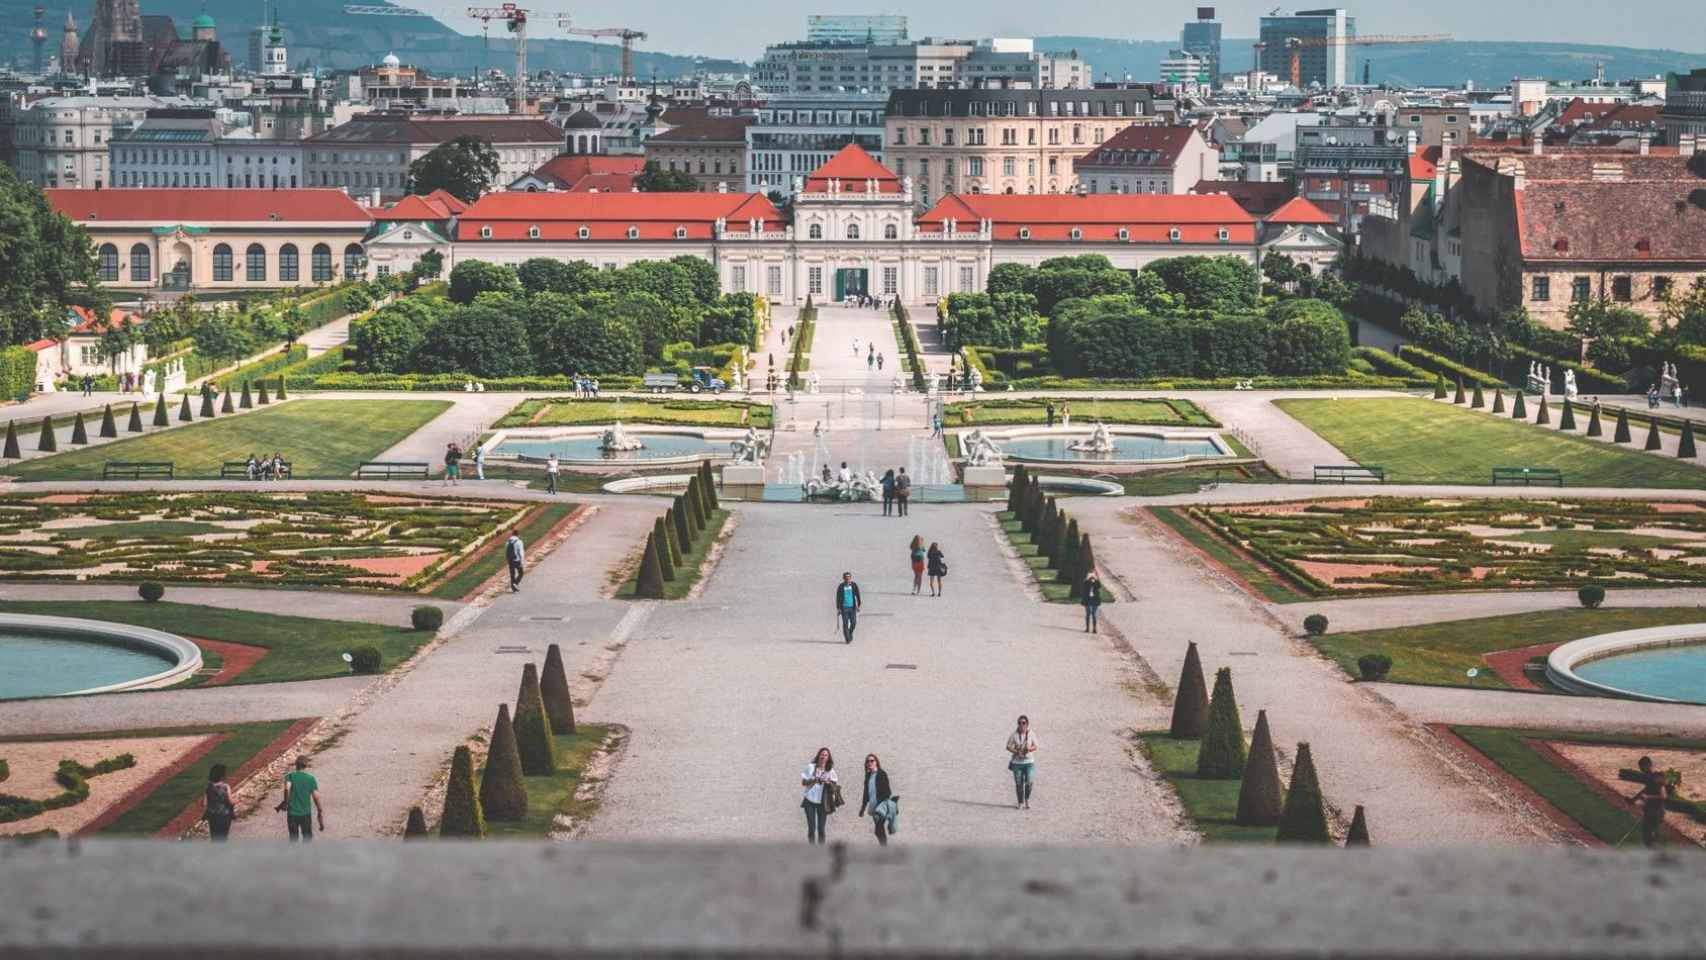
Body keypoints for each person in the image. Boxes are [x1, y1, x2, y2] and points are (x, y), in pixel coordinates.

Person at [1627, 755, 1671, 848]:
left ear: (1648, 765)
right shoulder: (1649, 777)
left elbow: (1663, 796)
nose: (1641, 770)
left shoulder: (1658, 777)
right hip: (1650, 811)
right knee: (1647, 837)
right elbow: (1646, 790)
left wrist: (1648, 797)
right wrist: (1633, 799)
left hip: (1656, 812)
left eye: (1642, 767)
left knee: (1650, 838)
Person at [280, 756, 324, 842]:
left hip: (292, 813)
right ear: (306, 766)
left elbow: (286, 789)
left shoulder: (290, 776)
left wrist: (285, 802)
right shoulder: (310, 779)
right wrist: (319, 810)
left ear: (296, 765)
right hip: (305, 814)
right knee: (307, 838)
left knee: (293, 838)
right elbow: (316, 797)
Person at [801, 748, 838, 845]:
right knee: (811, 829)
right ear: (818, 755)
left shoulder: (830, 771)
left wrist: (828, 782)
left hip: (823, 802)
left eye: (826, 755)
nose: (823, 756)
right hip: (809, 801)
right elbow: (803, 782)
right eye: (822, 754)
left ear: (828, 758)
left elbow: (835, 786)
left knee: (821, 829)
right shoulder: (811, 767)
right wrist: (813, 779)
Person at [858, 754, 896, 846]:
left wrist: (881, 804)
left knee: (878, 830)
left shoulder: (881, 774)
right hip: (873, 808)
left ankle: (884, 850)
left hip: (881, 808)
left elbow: (888, 792)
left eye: (872, 760)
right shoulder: (868, 776)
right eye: (868, 761)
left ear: (876, 762)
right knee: (880, 830)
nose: (869, 762)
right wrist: (862, 808)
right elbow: (866, 794)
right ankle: (884, 849)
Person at [1006, 716, 1038, 810]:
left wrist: (1029, 749)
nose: (1021, 725)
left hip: (1029, 762)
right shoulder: (1014, 735)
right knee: (1019, 784)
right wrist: (1016, 751)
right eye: (1019, 723)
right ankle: (1020, 802)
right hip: (1017, 763)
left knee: (1029, 782)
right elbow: (1008, 746)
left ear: (1027, 724)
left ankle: (1027, 799)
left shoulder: (1031, 734)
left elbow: (1036, 746)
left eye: (1023, 723)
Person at [202, 763, 235, 841]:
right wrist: (238, 800)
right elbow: (231, 802)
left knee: (214, 838)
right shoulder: (226, 787)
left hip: (212, 815)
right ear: (222, 776)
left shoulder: (208, 787)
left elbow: (204, 804)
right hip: (224, 815)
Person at [834, 572, 861, 644]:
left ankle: (850, 633)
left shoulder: (854, 585)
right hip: (844, 608)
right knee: (845, 624)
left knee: (853, 623)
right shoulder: (841, 586)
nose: (847, 579)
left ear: (851, 578)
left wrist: (858, 605)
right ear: (843, 578)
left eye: (849, 577)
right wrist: (838, 608)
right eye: (846, 578)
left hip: (852, 608)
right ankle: (847, 638)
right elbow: (838, 597)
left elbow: (858, 595)